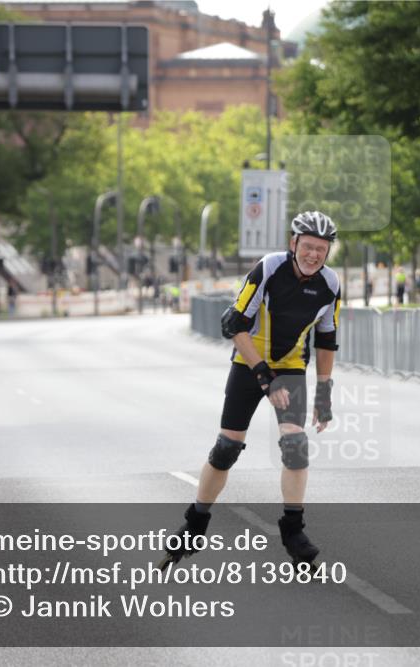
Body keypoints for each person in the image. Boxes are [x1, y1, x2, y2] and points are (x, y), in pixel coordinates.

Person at [161, 211, 341, 570]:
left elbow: (327, 340)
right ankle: (195, 522)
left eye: (321, 249)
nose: (313, 255)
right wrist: (262, 374)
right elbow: (234, 323)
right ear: (293, 244)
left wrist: (324, 392)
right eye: (307, 247)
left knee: (295, 445)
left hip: (290, 368)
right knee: (227, 447)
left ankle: (293, 530)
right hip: (249, 362)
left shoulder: (331, 284)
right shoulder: (270, 268)